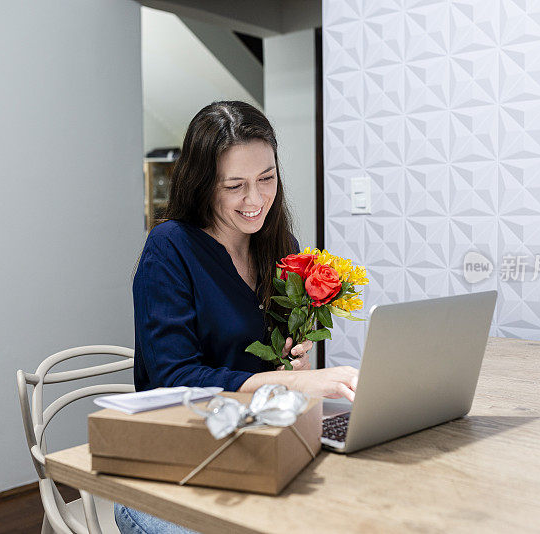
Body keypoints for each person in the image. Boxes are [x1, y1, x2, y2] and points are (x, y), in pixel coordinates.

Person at [114, 101, 359, 533]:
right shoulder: (170, 248)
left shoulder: (278, 243)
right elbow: (175, 378)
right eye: (235, 186)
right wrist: (295, 381)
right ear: (204, 184)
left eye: (267, 178)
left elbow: (277, 365)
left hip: (254, 448)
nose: (256, 199)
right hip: (171, 469)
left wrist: (292, 364)